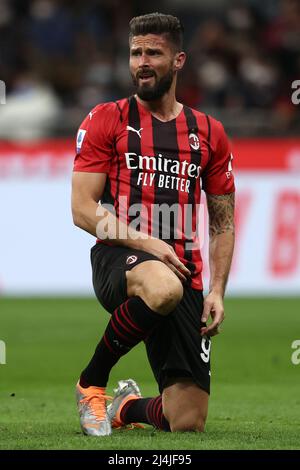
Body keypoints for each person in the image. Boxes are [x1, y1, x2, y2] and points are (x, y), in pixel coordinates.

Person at [72, 12, 235, 436]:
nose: (142, 62)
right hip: (120, 256)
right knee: (162, 286)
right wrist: (148, 242)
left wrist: (216, 289)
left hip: (185, 269)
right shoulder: (106, 119)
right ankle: (92, 383)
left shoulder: (209, 132)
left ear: (178, 60)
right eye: (135, 53)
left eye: (153, 53)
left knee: (187, 421)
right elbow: (83, 210)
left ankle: (127, 407)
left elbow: (222, 223)